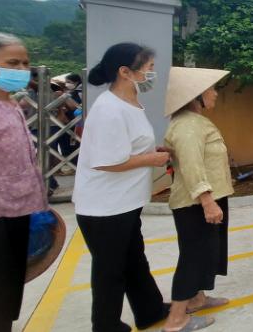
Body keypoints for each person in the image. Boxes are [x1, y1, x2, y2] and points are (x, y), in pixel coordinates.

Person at [73, 43, 171, 332]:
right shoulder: (109, 109)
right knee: (109, 272)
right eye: (148, 68)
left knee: (133, 260)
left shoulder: (132, 98)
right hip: (104, 207)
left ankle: (150, 311)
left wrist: (153, 151)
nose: (152, 73)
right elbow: (106, 161)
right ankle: (105, 325)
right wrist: (151, 158)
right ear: (125, 72)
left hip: (124, 203)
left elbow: (129, 145)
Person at [162, 66, 236, 331]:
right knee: (193, 256)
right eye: (212, 89)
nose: (215, 93)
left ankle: (198, 298)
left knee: (207, 253)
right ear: (196, 96)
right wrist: (207, 200)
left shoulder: (195, 121)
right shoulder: (187, 125)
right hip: (195, 203)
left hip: (209, 198)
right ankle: (176, 319)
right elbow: (192, 166)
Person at [0, 32, 48, 332]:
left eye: (25, 63)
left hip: (19, 211)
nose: (21, 69)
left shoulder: (13, 105)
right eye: (12, 63)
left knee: (10, 287)